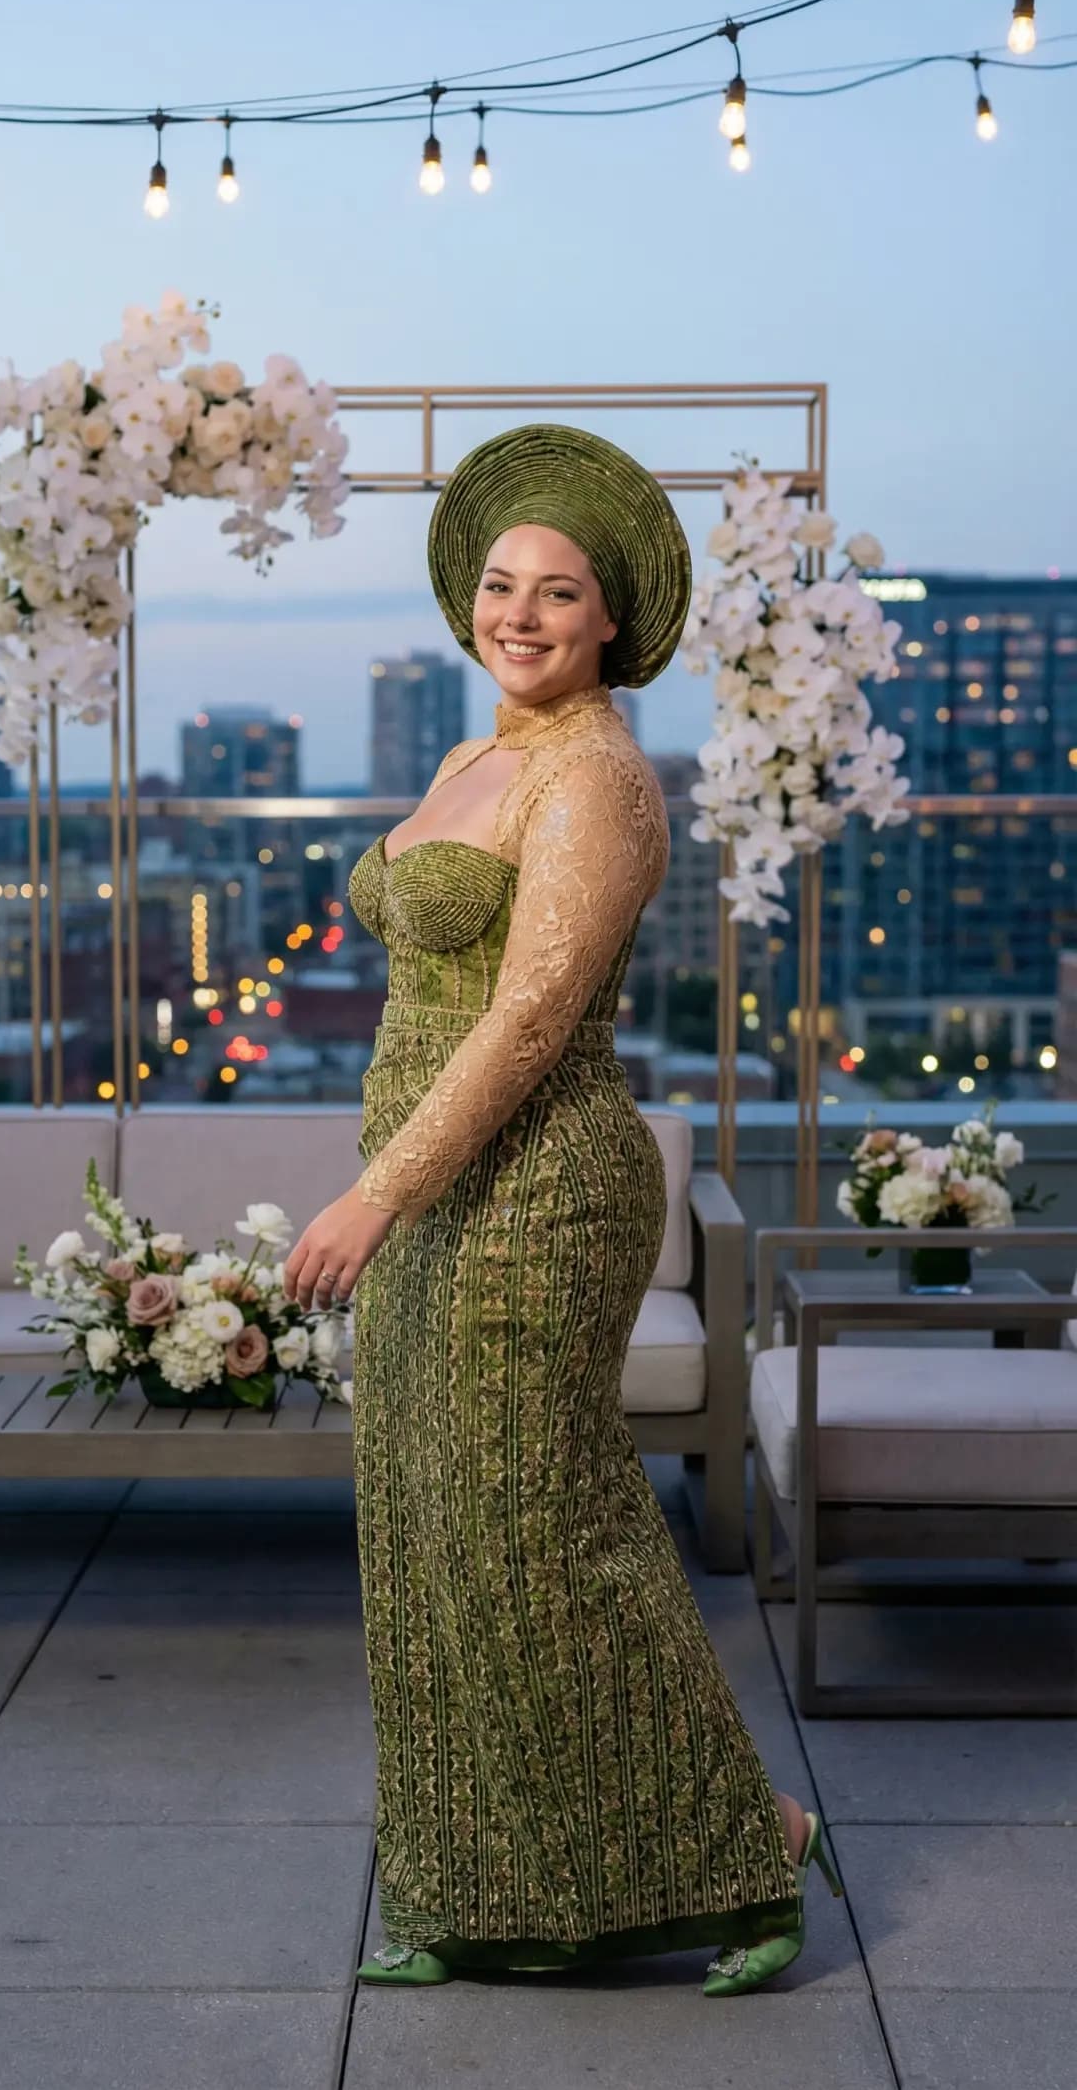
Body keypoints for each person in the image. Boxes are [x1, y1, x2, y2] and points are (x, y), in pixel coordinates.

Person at [281, 422, 844, 1994]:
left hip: (533, 1190)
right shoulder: (480, 757)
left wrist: (373, 1195)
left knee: (550, 1528)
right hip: (436, 1182)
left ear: (613, 623)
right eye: (504, 583)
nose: (521, 612)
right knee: (431, 1531)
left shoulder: (600, 776)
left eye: (561, 591)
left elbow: (525, 1024)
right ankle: (477, 1887)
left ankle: (753, 1851)